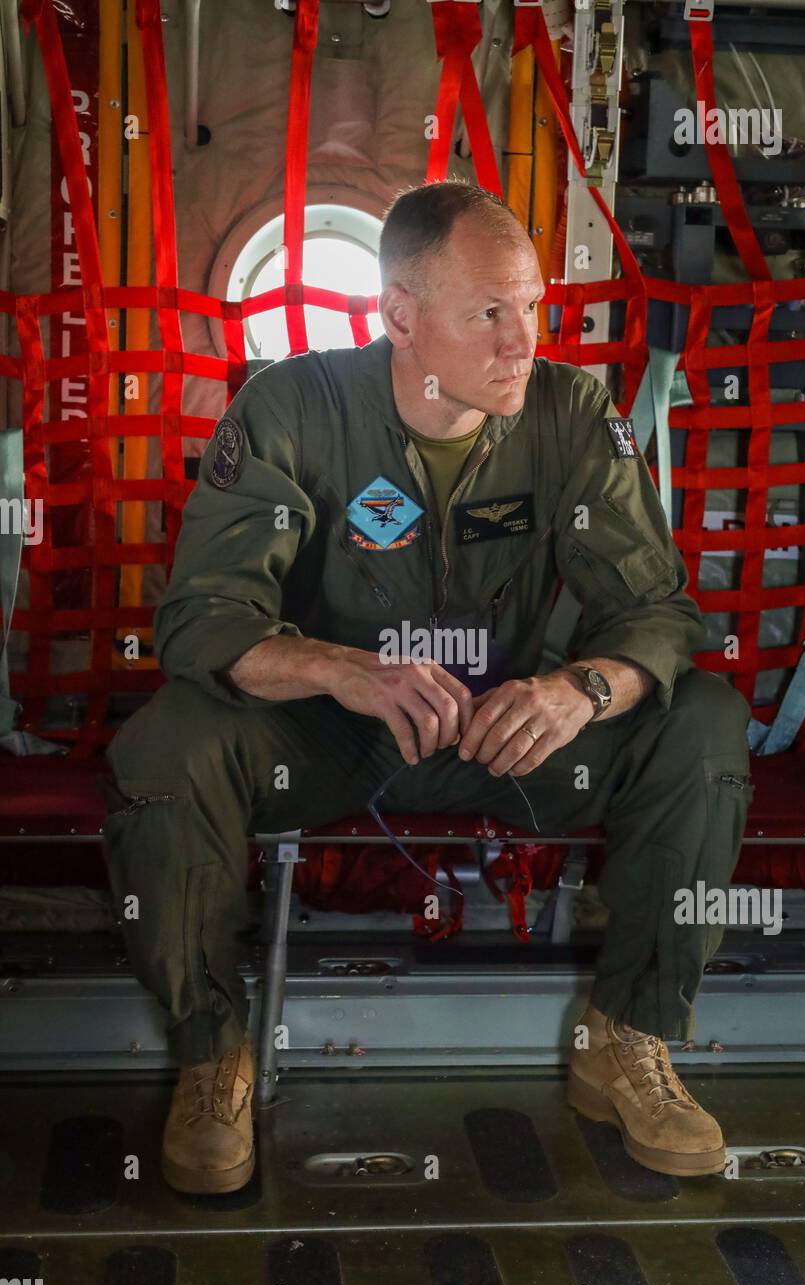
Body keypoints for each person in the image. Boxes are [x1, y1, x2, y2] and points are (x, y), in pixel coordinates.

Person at [100, 178, 753, 1194]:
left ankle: (625, 1035)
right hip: (330, 739)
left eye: (530, 306)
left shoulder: (570, 415)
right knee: (164, 747)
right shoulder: (293, 407)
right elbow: (202, 620)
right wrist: (341, 668)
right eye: (486, 312)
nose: (520, 339)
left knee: (702, 722)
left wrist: (578, 689)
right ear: (398, 316)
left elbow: (657, 617)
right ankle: (211, 1050)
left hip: (508, 736)